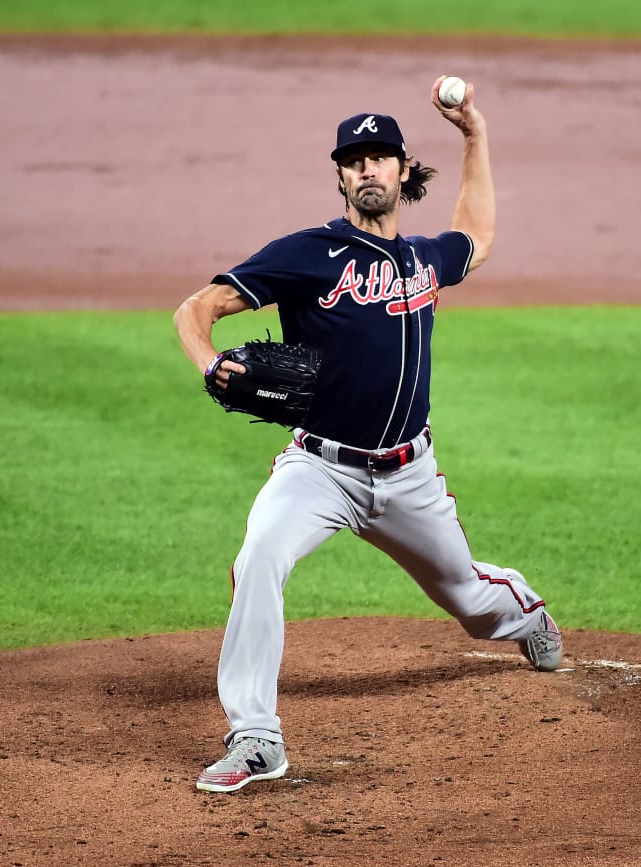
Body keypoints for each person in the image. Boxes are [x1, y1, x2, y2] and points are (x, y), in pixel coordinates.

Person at [173, 78, 562, 794]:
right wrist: (209, 363)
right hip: (319, 470)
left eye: (381, 157)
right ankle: (256, 737)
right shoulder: (308, 253)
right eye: (355, 160)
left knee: (471, 600)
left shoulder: (422, 259)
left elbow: (476, 237)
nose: (368, 169)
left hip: (410, 475)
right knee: (259, 555)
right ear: (341, 175)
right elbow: (197, 307)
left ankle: (525, 613)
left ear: (404, 171)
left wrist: (475, 137)